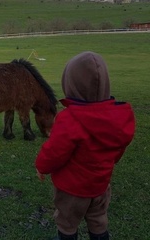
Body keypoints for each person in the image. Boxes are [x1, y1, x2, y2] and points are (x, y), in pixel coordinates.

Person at [35, 51, 135, 240]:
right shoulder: (118, 117)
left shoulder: (69, 118)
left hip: (71, 190)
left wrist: (41, 166)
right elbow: (118, 147)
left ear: (70, 84)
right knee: (98, 220)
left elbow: (55, 151)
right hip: (100, 187)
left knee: (67, 223)